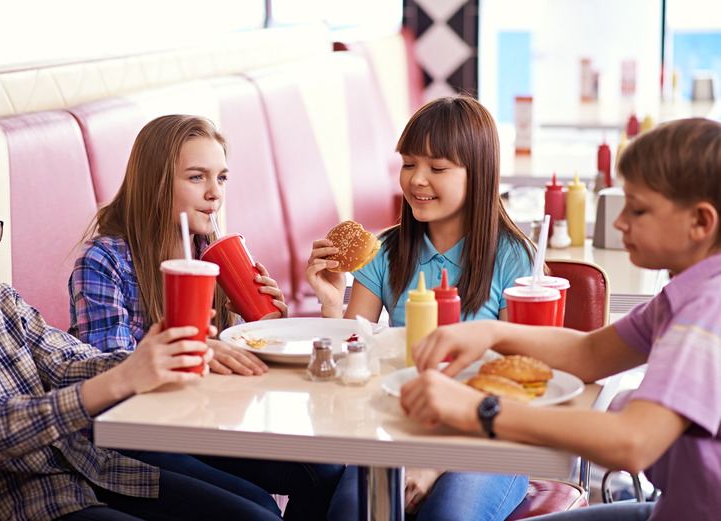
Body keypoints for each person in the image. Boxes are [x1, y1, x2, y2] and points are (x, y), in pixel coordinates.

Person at [401, 117, 721, 521]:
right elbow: (588, 353)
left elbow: (633, 443)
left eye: (637, 210)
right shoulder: (687, 291)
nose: (620, 222)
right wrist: (490, 332)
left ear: (701, 222)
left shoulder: (708, 309)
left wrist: (482, 410)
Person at [0, 162, 284, 521]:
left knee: (257, 510)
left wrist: (157, 356)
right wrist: (126, 375)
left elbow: (67, 363)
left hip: (89, 470)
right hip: (16, 504)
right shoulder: (104, 259)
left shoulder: (1, 301)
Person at [68, 114, 344, 521]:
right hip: (134, 440)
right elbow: (113, 383)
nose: (215, 193)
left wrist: (266, 328)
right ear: (157, 183)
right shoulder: (103, 262)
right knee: (260, 508)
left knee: (326, 471)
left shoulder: (206, 252)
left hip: (203, 418)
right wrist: (196, 351)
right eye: (197, 177)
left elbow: (228, 355)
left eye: (222, 178)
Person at [306, 95, 534, 520]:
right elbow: (350, 368)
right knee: (352, 511)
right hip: (398, 426)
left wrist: (434, 464)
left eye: (438, 168)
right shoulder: (385, 252)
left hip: (488, 438)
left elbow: (514, 386)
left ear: (479, 174)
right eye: (409, 164)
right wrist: (331, 305)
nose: (417, 180)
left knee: (448, 515)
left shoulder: (515, 258)